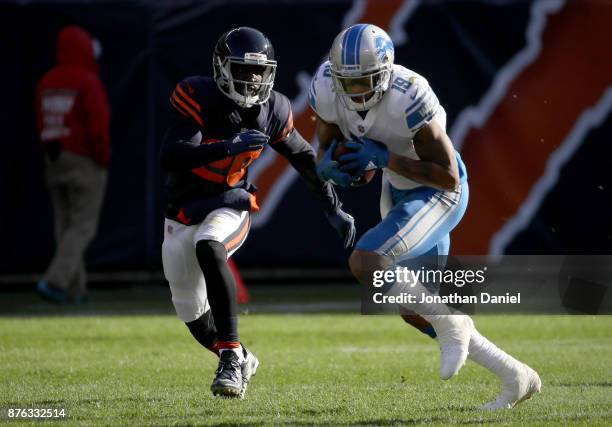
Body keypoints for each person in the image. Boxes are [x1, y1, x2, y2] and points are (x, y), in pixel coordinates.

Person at [311, 23, 541, 409]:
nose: (354, 92)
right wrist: (330, 168)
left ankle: (454, 325)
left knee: (367, 261)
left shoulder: (410, 95)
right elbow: (329, 147)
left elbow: (448, 176)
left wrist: (385, 158)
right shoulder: (325, 86)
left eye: (363, 81)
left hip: (438, 192)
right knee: (413, 307)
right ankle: (515, 374)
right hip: (398, 190)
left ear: (385, 72)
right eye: (346, 83)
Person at [159, 27, 355, 399]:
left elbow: (304, 157)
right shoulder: (197, 95)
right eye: (243, 70)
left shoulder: (274, 109)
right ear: (221, 68)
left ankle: (231, 357)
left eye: (259, 71)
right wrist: (226, 146)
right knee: (191, 312)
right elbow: (172, 154)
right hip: (182, 210)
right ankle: (242, 357)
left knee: (210, 244)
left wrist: (333, 207)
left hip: (228, 204)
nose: (253, 80)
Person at [35, 26, 110, 304]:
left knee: (65, 226)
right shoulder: (87, 81)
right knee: (83, 227)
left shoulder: (47, 80)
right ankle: (55, 281)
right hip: (84, 160)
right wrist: (102, 160)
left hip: (54, 159)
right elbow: (98, 126)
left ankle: (74, 290)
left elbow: (41, 121)